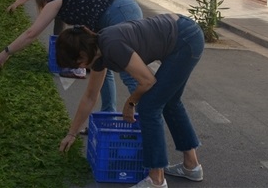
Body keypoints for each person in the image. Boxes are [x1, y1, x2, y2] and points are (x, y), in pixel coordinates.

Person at [56, 14, 205, 188]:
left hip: (185, 38)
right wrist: (72, 133)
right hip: (182, 34)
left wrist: (130, 103)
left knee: (149, 107)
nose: (80, 68)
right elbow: (90, 96)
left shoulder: (112, 46)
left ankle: (156, 179)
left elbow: (147, 81)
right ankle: (191, 166)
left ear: (82, 53)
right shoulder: (98, 55)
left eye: (78, 63)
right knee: (170, 101)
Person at [0, 0, 143, 112]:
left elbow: (31, 33)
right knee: (100, 63)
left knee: (130, 71)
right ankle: (108, 113)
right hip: (123, 8)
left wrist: (6, 52)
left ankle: (146, 121)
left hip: (119, 12)